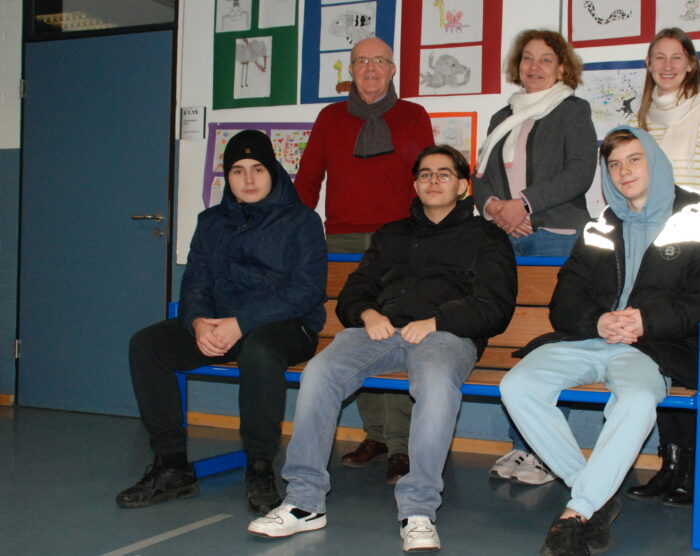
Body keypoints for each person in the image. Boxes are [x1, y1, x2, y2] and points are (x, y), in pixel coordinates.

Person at [248, 145, 517, 552]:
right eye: (425, 174)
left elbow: (494, 306)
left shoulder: (487, 236)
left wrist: (438, 322)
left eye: (444, 174)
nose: (433, 181)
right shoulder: (392, 233)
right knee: (319, 372)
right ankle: (304, 501)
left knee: (437, 382)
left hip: (445, 335)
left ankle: (419, 510)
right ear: (415, 183)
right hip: (381, 331)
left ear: (463, 186)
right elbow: (355, 290)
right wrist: (367, 313)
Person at [500, 126, 700, 555]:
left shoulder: (698, 223)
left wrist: (647, 320)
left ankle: (576, 512)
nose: (623, 171)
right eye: (614, 164)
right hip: (589, 340)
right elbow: (565, 299)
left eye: (634, 159)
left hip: (651, 348)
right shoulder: (599, 227)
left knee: (636, 401)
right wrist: (599, 320)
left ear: (655, 162)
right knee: (516, 386)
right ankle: (594, 496)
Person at [116, 130, 327, 515]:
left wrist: (240, 323)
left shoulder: (303, 221)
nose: (248, 179)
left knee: (260, 353)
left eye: (258, 169)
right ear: (226, 177)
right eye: (237, 170)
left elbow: (306, 292)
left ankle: (259, 466)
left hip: (287, 326)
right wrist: (197, 322)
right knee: (147, 345)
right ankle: (172, 466)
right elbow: (195, 280)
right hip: (220, 325)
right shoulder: (211, 221)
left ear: (274, 171)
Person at [294, 36, 435, 484]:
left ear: (392, 69)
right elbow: (308, 177)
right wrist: (294, 231)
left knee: (395, 335)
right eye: (361, 62)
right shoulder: (330, 117)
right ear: (350, 71)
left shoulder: (412, 115)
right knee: (357, 333)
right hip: (341, 239)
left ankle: (401, 445)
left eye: (379, 61)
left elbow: (426, 177)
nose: (370, 68)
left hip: (398, 240)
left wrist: (427, 233)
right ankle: (374, 434)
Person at [472, 28, 597, 485]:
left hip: (557, 236)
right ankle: (521, 448)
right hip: (505, 238)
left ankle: (543, 452)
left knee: (550, 344)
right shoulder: (504, 114)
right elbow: (480, 175)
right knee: (512, 337)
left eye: (546, 59)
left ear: (562, 66)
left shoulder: (572, 109)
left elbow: (580, 172)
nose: (535, 67)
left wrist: (522, 203)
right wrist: (495, 209)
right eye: (528, 58)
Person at [628, 27, 700, 505]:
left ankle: (693, 471)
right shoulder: (640, 120)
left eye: (678, 57)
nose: (668, 65)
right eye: (659, 57)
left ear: (691, 63)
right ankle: (669, 464)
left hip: (695, 260)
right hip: (652, 262)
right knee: (654, 358)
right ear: (650, 65)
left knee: (689, 364)